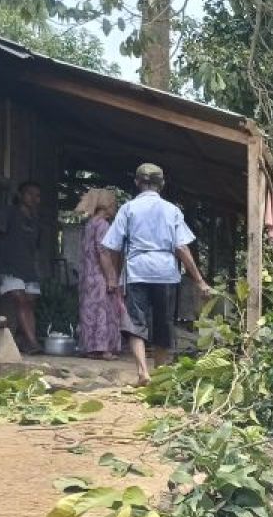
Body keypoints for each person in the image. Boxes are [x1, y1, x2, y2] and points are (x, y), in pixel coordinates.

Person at [100, 163, 210, 385]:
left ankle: (143, 371)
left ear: (137, 183)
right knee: (164, 323)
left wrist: (114, 276)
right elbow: (182, 248)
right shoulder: (172, 210)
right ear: (162, 184)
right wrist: (199, 280)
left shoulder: (128, 209)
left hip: (137, 271)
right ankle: (160, 373)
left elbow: (112, 246)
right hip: (165, 273)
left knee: (135, 323)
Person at [0, 182, 44, 354]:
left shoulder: (35, 220)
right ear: (21, 195)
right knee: (21, 301)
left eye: (37, 195)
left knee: (29, 303)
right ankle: (33, 342)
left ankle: (24, 341)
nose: (33, 198)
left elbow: (35, 247)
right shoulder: (8, 213)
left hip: (27, 268)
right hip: (7, 266)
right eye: (30, 194)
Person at [74, 188, 122, 360]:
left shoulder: (90, 223)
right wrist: (111, 278)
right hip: (99, 275)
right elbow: (103, 253)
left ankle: (90, 348)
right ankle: (103, 349)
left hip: (88, 274)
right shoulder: (103, 225)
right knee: (104, 311)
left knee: (89, 310)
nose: (115, 207)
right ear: (107, 205)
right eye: (114, 204)